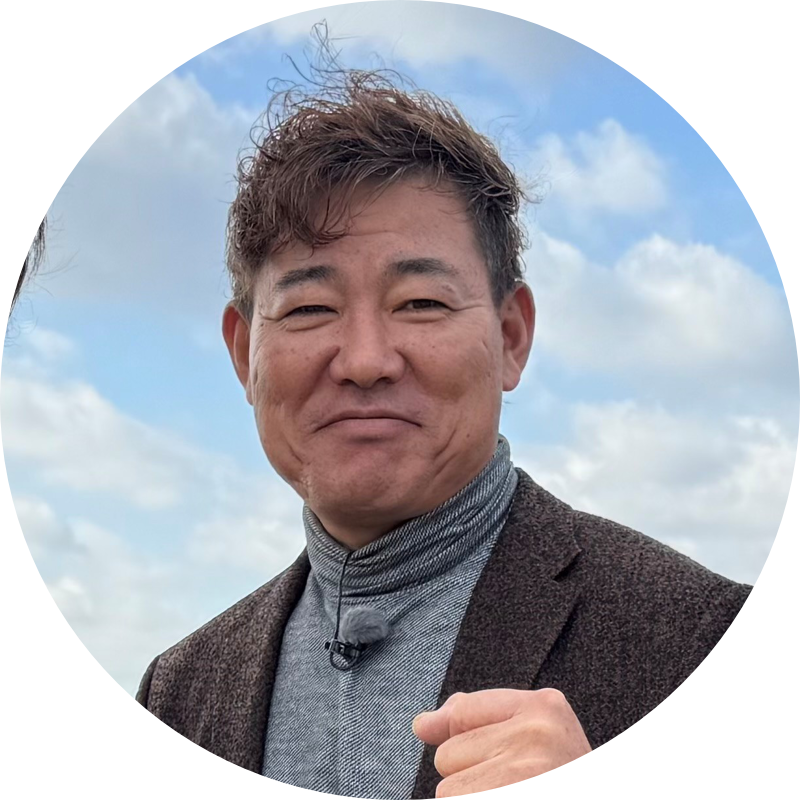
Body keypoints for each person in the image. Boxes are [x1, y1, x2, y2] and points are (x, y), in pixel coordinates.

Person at [136, 65, 751, 798]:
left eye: (421, 302)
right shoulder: (180, 691)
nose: (365, 361)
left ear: (511, 336)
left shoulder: (695, 634)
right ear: (244, 355)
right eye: (309, 310)